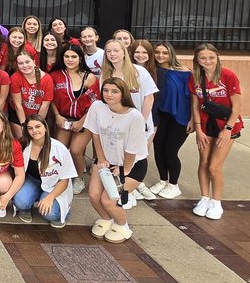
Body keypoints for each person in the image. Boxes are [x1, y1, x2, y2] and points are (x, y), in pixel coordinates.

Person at [84, 77, 148, 243]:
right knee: (93, 195)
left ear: (123, 94)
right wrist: (101, 159)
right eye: (105, 90)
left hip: (130, 165)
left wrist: (124, 171)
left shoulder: (134, 116)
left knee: (108, 199)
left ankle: (122, 225)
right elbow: (95, 134)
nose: (109, 94)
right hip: (105, 161)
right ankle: (107, 220)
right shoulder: (97, 107)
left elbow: (132, 150)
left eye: (114, 91)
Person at [189, 43, 244, 221]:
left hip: (226, 125)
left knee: (214, 166)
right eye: (203, 58)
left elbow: (237, 106)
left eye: (211, 57)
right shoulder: (196, 77)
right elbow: (195, 105)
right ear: (197, 59)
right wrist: (198, 129)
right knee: (204, 163)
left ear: (217, 57)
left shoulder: (228, 76)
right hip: (205, 125)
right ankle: (204, 197)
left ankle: (216, 201)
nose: (208, 61)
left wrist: (227, 129)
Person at [100, 38, 158, 200]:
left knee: (137, 156)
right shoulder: (106, 74)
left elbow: (149, 98)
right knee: (119, 157)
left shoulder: (139, 71)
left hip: (139, 124)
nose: (112, 54)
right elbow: (105, 102)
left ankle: (133, 187)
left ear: (124, 52)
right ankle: (124, 190)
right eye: (109, 51)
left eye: (116, 50)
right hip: (116, 125)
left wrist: (141, 122)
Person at [49, 45, 98, 194]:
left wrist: (82, 121)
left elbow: (95, 102)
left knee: (76, 150)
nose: (70, 60)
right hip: (63, 118)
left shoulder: (89, 77)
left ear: (80, 58)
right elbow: (49, 98)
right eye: (67, 56)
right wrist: (57, 116)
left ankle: (78, 177)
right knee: (60, 148)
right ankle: (60, 177)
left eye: (73, 57)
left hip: (85, 119)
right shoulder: (55, 75)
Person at [11, 115, 75, 227]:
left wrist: (50, 197)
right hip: (32, 181)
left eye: (38, 126)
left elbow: (64, 180)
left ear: (45, 127)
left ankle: (61, 212)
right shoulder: (23, 144)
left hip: (54, 185)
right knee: (20, 201)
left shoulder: (59, 148)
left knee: (51, 214)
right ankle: (27, 207)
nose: (34, 131)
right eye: (30, 128)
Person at [148, 41, 192, 200]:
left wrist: (193, 119)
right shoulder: (153, 71)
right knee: (158, 149)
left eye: (164, 53)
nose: (160, 56)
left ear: (171, 54)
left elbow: (193, 98)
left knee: (170, 151)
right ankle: (163, 180)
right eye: (157, 52)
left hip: (180, 117)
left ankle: (174, 184)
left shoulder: (184, 72)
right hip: (161, 115)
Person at [9, 51, 54, 137]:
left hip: (39, 115)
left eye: (27, 62)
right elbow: (18, 105)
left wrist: (36, 125)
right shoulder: (15, 78)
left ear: (34, 61)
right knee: (23, 139)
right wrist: (24, 125)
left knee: (37, 137)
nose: (25, 66)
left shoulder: (47, 79)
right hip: (19, 115)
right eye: (21, 63)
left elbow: (45, 105)